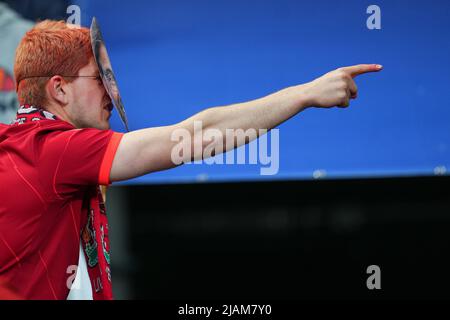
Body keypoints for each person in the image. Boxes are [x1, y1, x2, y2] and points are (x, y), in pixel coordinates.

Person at [0, 20, 382, 300]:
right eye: (97, 77)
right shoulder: (55, 149)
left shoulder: (26, 147)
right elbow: (193, 137)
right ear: (59, 89)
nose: (110, 92)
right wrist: (306, 93)